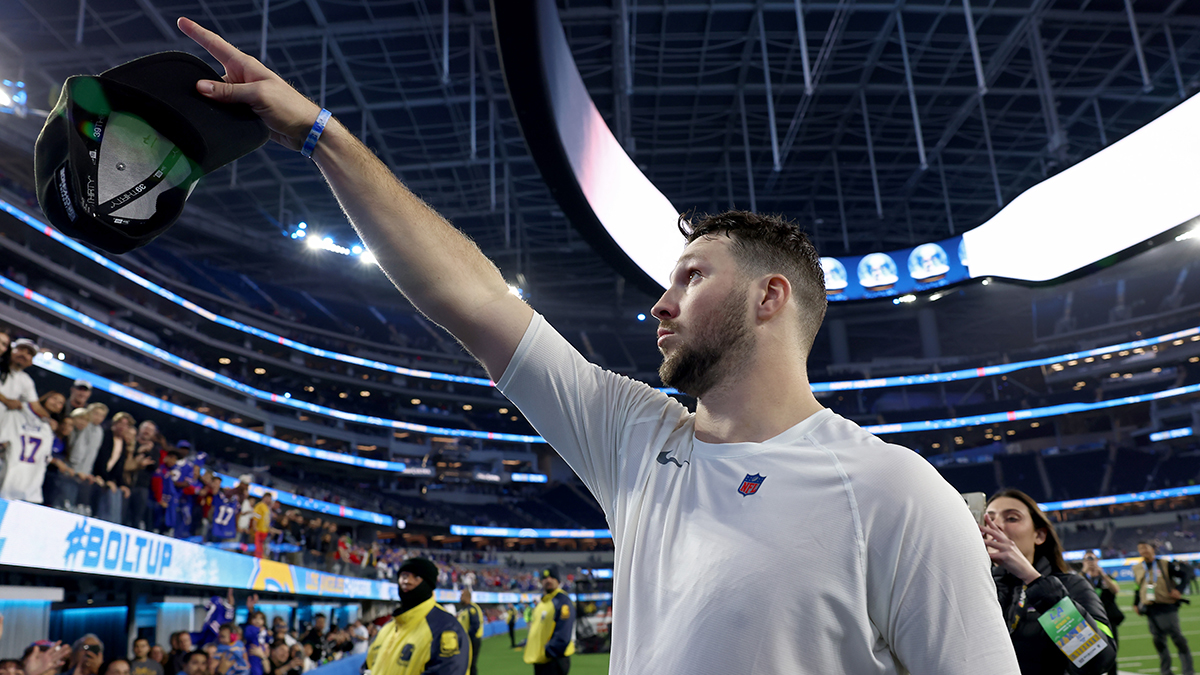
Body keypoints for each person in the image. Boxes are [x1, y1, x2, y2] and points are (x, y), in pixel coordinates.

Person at [176, 17, 1021, 674]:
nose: (660, 302)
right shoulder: (636, 438)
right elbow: (471, 298)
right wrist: (321, 133)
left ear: (771, 297)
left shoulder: (896, 492)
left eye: (692, 276)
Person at [983, 490, 1116, 675]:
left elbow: (1095, 661)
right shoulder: (978, 589)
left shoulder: (1071, 585)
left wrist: (1034, 580)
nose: (996, 525)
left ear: (1039, 535)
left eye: (1012, 518)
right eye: (989, 519)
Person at [366, 557, 469, 675]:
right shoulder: (387, 628)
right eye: (404, 576)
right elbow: (367, 666)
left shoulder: (446, 628)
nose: (407, 581)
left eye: (416, 577)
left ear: (429, 584)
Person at [1133, 540, 1194, 675]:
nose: (1143, 551)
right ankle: (1166, 672)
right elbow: (1138, 587)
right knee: (1158, 642)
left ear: (1152, 549)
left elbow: (1185, 575)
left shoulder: (1164, 564)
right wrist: (1135, 603)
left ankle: (1188, 670)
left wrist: (1179, 590)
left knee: (1178, 639)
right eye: (1140, 549)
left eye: (1145, 548)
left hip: (1167, 606)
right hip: (1150, 609)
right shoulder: (1137, 567)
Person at [523, 568, 574, 675]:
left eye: (552, 577)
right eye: (545, 578)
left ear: (558, 581)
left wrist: (549, 651)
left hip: (553, 660)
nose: (548, 580)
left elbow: (563, 631)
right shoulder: (543, 603)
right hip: (541, 659)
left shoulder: (562, 601)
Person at [1082, 550, 1124, 675]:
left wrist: (1102, 574)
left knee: (1111, 651)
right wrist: (1084, 572)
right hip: (1088, 620)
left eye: (1093, 559)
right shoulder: (1080, 579)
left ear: (1098, 560)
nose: (1091, 562)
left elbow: (1115, 590)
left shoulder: (1106, 577)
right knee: (1089, 654)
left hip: (1108, 619)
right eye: (1087, 559)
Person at [456, 588, 483, 675]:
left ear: (467, 597)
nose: (460, 598)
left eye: (462, 596)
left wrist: (467, 637)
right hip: (467, 639)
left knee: (471, 664)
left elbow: (475, 625)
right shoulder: (465, 609)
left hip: (472, 640)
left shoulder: (472, 609)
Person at [250, 492, 275, 559]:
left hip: (264, 532)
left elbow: (266, 520)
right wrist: (254, 528)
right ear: (265, 498)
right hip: (259, 531)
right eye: (269, 498)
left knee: (261, 550)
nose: (270, 500)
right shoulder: (260, 505)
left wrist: (269, 529)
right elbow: (255, 518)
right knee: (257, 550)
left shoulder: (267, 508)